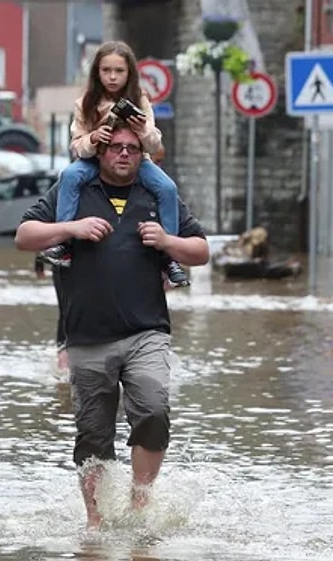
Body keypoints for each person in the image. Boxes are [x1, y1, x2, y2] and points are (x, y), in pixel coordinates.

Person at [15, 121, 209, 529]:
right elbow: (24, 235)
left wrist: (168, 242)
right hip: (87, 335)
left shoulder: (156, 195)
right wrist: (71, 228)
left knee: (154, 411)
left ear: (143, 155)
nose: (124, 154)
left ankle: (141, 504)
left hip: (147, 331)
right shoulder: (74, 192)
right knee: (93, 434)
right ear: (100, 153)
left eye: (132, 149)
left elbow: (201, 251)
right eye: (116, 147)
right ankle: (95, 522)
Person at [39, 40, 190, 288]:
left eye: (118, 71)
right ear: (97, 72)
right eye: (106, 70)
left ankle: (169, 258)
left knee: (167, 188)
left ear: (129, 73)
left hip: (136, 160)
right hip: (95, 160)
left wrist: (143, 131)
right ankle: (63, 243)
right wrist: (93, 138)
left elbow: (154, 146)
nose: (112, 77)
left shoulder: (140, 100)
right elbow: (76, 145)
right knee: (69, 176)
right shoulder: (85, 102)